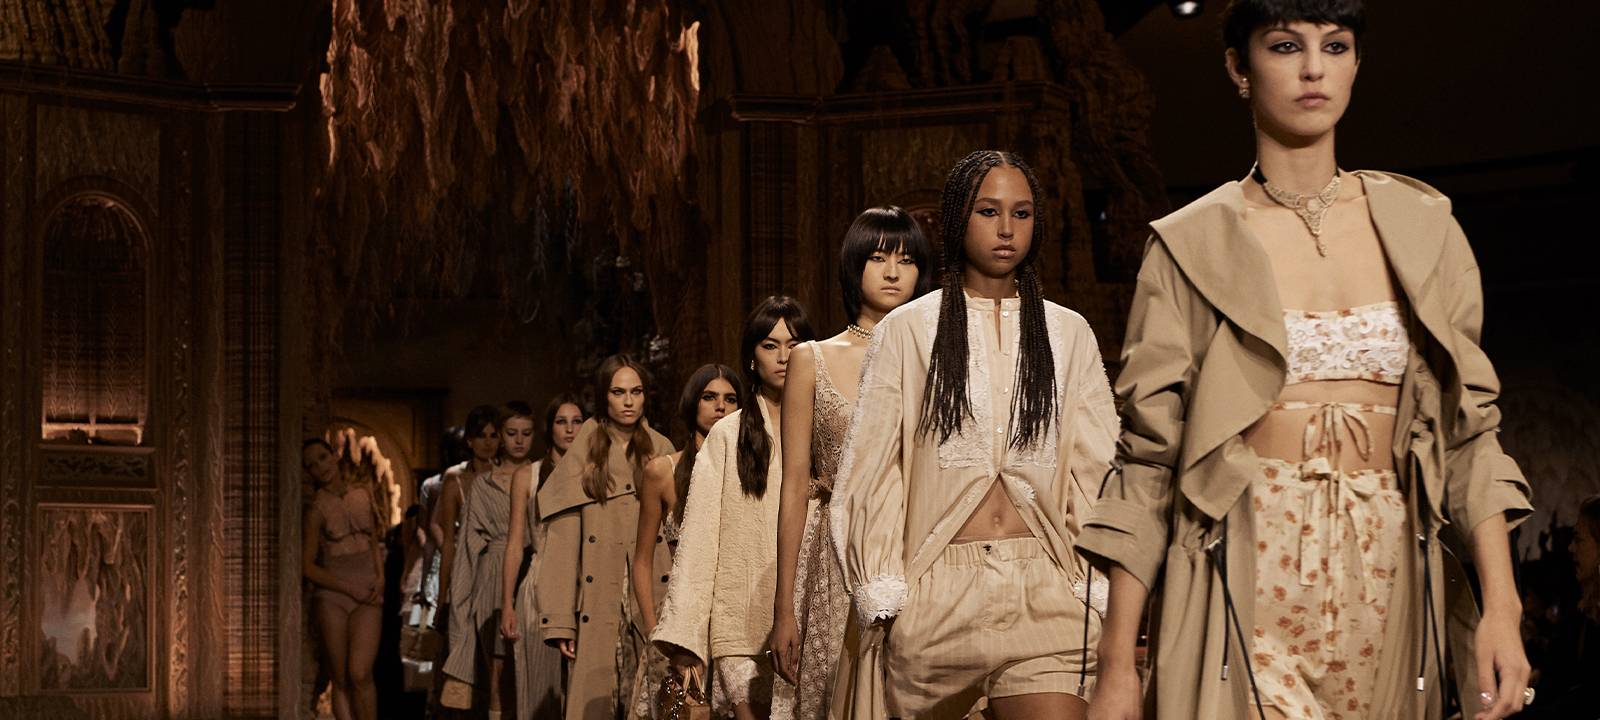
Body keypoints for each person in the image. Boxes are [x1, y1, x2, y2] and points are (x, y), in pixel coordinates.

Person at [1078, 3, 1534, 719]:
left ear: (1357, 63)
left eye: (1336, 46)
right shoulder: (1191, 245)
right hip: (1241, 568)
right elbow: (1149, 459)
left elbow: (1470, 437)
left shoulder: (1423, 228)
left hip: (1391, 579)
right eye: (1286, 46)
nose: (1314, 69)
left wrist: (1502, 611)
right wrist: (1115, 664)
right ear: (1239, 67)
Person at [833, 149, 1118, 720]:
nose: (1007, 228)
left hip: (1046, 589)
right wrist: (882, 583)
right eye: (988, 211)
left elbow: (1097, 468)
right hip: (936, 591)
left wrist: (1097, 579)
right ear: (957, 219)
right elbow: (874, 468)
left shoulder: (1068, 333)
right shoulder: (907, 331)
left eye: (1022, 213)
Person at [767, 207, 934, 720]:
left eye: (906, 260)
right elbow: (794, 486)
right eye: (878, 258)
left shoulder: (940, 358)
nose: (892, 272)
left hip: (918, 551)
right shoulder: (810, 359)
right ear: (853, 266)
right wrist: (784, 607)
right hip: (837, 561)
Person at [654, 296, 815, 720]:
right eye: (770, 345)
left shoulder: (827, 428)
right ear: (751, 358)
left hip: (815, 615)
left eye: (794, 344)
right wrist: (687, 637)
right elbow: (699, 537)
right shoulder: (728, 436)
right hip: (742, 622)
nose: (784, 356)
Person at [539, 355, 676, 720]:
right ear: (603, 396)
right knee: (599, 698)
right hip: (599, 595)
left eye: (636, 391)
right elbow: (563, 543)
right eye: (618, 392)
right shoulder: (583, 453)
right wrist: (560, 620)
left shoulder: (661, 448)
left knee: (654, 697)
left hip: (652, 590)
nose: (628, 401)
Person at [625, 364, 740, 718]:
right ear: (692, 404)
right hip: (682, 625)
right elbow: (642, 559)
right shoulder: (663, 471)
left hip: (737, 616)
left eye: (730, 399)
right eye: (709, 397)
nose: (720, 407)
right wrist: (654, 633)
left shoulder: (751, 471)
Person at [443, 403, 539, 717]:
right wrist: (458, 601)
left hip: (534, 574)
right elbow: (466, 548)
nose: (519, 441)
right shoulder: (483, 485)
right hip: (492, 583)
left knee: (534, 674)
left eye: (526, 433)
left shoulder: (544, 477)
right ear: (501, 436)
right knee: (498, 678)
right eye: (511, 433)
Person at [501, 394, 586, 719]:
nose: (569, 429)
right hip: (539, 584)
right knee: (537, 688)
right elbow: (514, 543)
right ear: (550, 428)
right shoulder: (529, 475)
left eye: (576, 421)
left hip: (584, 584)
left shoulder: (594, 472)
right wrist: (507, 603)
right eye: (561, 422)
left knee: (582, 692)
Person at [302, 438, 387, 720]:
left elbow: (373, 541)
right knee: (340, 678)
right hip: (333, 595)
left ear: (334, 456)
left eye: (322, 458)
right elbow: (307, 567)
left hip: (368, 591)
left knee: (360, 672)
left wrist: (381, 577)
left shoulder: (363, 494)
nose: (320, 467)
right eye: (311, 465)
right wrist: (348, 588)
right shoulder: (316, 510)